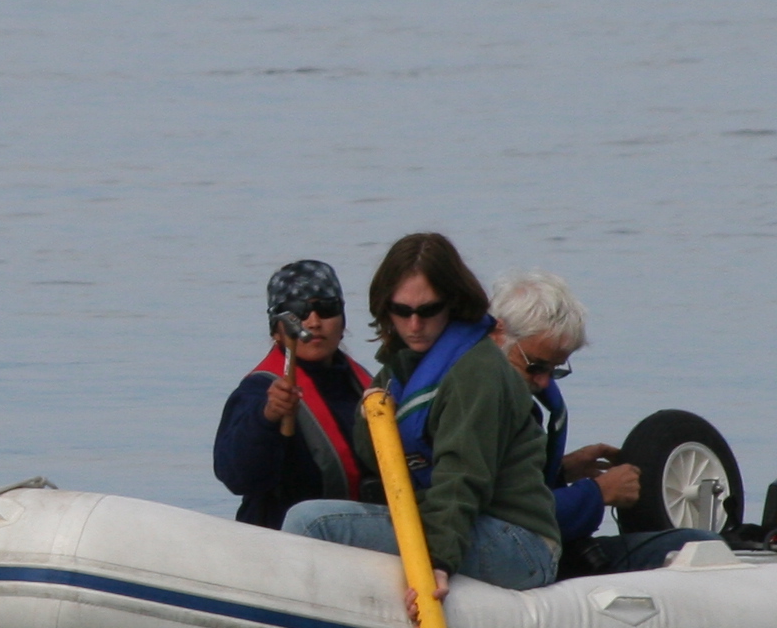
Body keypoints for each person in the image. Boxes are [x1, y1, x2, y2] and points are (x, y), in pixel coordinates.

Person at [280, 231, 561, 591]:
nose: (414, 325)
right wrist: (369, 419)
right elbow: (376, 461)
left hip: (519, 544)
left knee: (311, 523)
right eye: (402, 311)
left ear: (453, 303)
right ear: (387, 308)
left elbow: (462, 475)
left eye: (427, 311)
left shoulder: (477, 370)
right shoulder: (400, 368)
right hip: (455, 523)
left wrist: (437, 563)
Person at [487, 268, 719, 576]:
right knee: (700, 544)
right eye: (535, 367)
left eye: (555, 370)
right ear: (498, 334)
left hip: (535, 546)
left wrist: (560, 469)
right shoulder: (482, 402)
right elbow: (514, 515)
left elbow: (506, 485)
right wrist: (598, 493)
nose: (543, 382)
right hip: (521, 556)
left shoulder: (502, 393)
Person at [213, 259, 381, 528]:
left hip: (354, 532)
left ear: (342, 322)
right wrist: (267, 418)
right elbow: (237, 478)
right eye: (298, 312)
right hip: (284, 537)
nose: (314, 322)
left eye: (326, 309)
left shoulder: (365, 386)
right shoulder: (256, 392)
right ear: (276, 330)